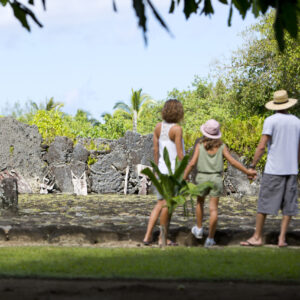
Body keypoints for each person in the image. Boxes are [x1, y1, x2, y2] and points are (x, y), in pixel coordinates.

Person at [183, 119, 257, 247]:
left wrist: (184, 176)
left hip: (202, 179)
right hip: (216, 179)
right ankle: (210, 239)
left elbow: (192, 163)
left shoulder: (200, 145)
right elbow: (233, 162)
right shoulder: (221, 146)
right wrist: (247, 172)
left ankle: (199, 229)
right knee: (213, 210)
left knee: (199, 203)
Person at [241, 90, 300, 247]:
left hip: (274, 169)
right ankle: (282, 238)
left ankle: (257, 237)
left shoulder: (271, 120)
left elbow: (261, 146)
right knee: (289, 205)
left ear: (274, 105)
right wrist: (296, 165)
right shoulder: (297, 121)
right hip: (292, 170)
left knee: (264, 204)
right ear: (288, 105)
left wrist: (252, 166)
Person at [143, 99, 185, 246]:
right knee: (166, 205)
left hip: (161, 171)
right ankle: (162, 238)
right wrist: (185, 173)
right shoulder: (177, 129)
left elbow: (155, 151)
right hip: (172, 173)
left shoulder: (158, 127)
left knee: (160, 204)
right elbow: (180, 155)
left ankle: (148, 236)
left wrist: (155, 170)